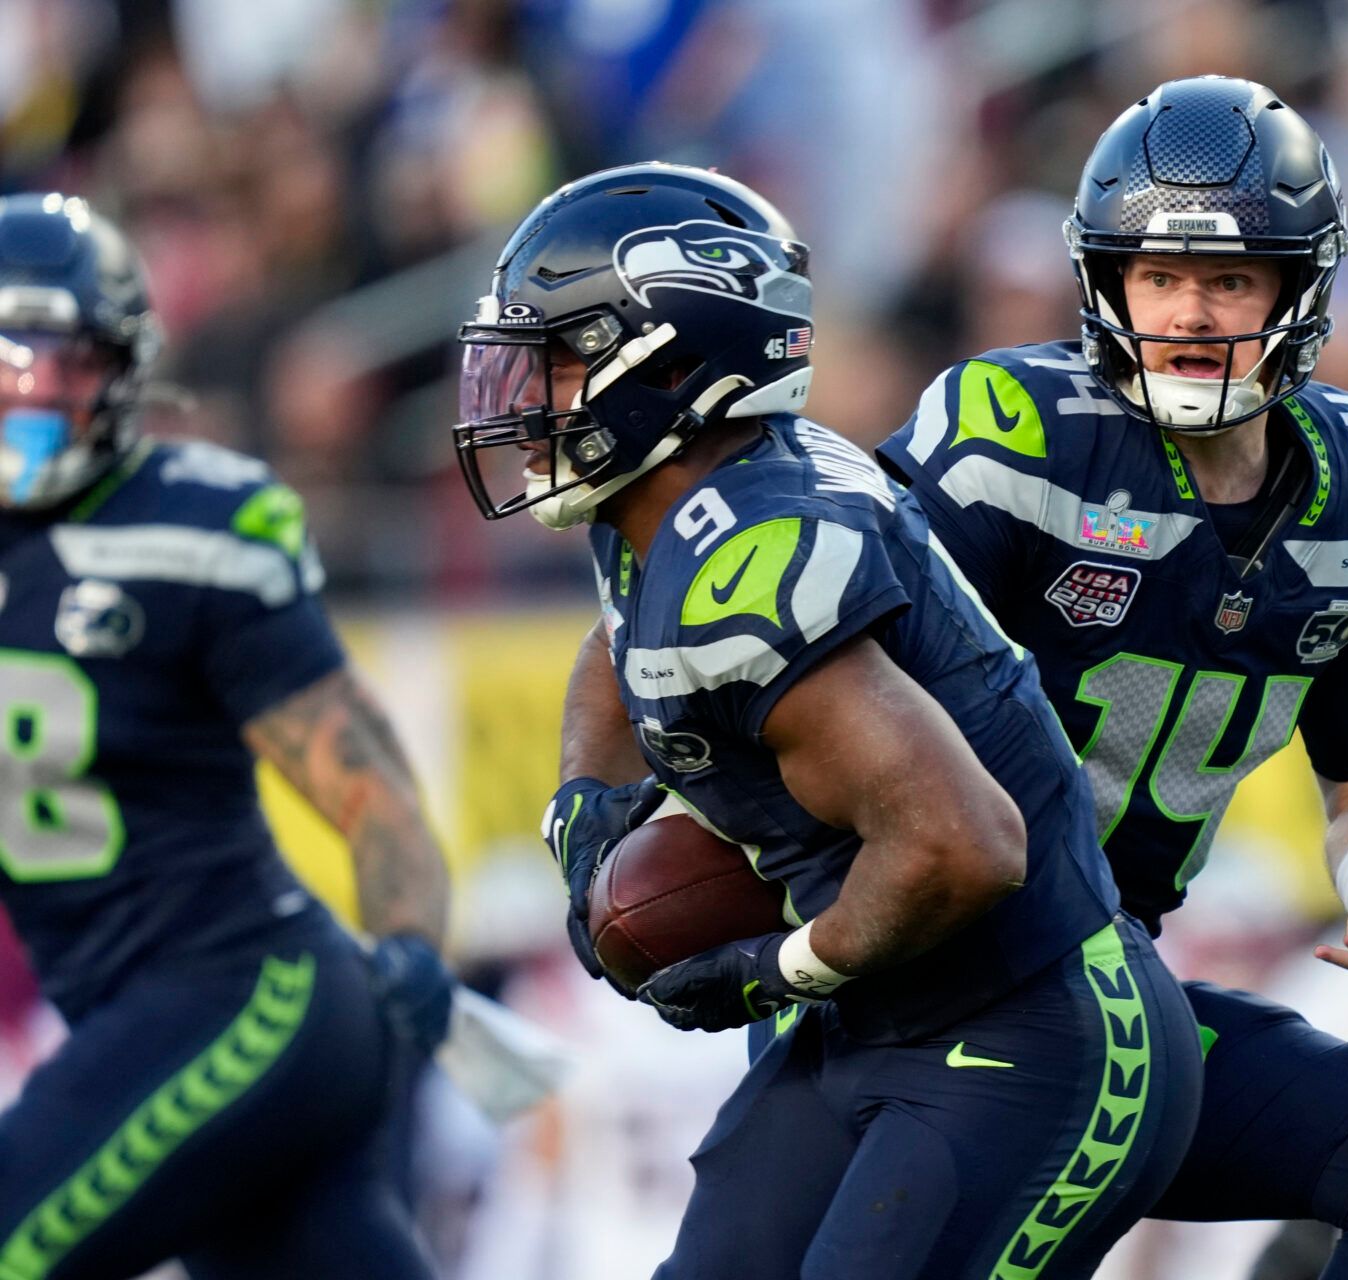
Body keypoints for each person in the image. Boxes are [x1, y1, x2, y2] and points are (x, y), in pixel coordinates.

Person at [453, 162, 1202, 1280]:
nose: (528, 394)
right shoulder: (657, 498)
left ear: (670, 359)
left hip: (1033, 1022)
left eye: (558, 356)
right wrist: (584, 807)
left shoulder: (760, 557)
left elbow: (965, 840)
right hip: (876, 1023)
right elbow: (619, 639)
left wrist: (775, 965)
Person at [873, 77, 1348, 1278]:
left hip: (1114, 993)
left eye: (1230, 279)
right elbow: (840, 678)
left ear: (1298, 288)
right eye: (1160, 276)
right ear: (1107, 282)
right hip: (919, 990)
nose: (1191, 313)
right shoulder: (1017, 437)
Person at [0, 194, 453, 1278]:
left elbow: (370, 783)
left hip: (253, 993)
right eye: (16, 354)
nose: (45, 389)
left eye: (76, 359)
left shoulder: (191, 523)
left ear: (128, 369)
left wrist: (412, 947)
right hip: (135, 1011)